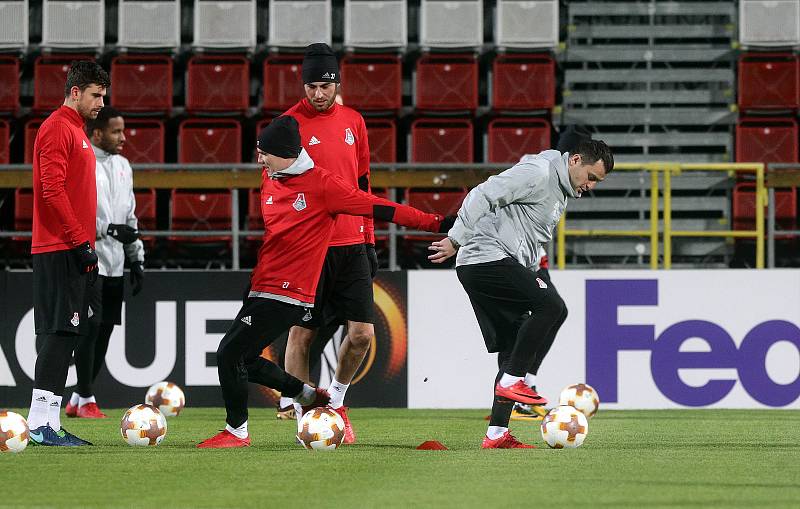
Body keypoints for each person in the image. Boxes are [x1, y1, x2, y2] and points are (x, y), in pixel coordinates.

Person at [197, 116, 451, 448]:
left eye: (265, 153)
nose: (259, 159)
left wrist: (436, 223)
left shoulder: (324, 185)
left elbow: (380, 207)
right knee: (241, 358)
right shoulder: (270, 177)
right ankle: (307, 395)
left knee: (228, 354)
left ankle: (237, 432)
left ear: (287, 153)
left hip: (289, 291)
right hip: (262, 284)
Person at [429, 139, 614, 448]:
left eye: (597, 182)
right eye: (591, 177)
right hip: (483, 258)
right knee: (550, 306)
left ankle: (497, 434)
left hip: (497, 261)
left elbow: (526, 235)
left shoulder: (560, 188)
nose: (591, 186)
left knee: (517, 341)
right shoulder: (539, 172)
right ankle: (515, 379)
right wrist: (455, 239)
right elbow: (482, 194)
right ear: (575, 160)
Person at [281, 43, 377, 442]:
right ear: (302, 86)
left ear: (337, 84)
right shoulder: (287, 125)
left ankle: (336, 402)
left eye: (325, 86)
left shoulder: (354, 121)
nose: (318, 95)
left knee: (362, 335)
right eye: (311, 87)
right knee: (302, 334)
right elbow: (276, 188)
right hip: (310, 248)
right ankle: (304, 411)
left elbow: (363, 183)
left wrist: (370, 239)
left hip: (352, 244)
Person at [26, 61, 110, 446]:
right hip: (61, 246)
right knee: (59, 334)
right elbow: (51, 190)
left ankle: (48, 422)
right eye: (96, 95)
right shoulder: (58, 128)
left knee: (63, 334)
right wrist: (79, 242)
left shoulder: (75, 131)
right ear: (75, 92)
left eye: (104, 96)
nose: (101, 103)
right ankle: (41, 424)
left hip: (68, 245)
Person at [507, 125, 594, 422]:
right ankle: (515, 392)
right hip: (516, 257)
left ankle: (524, 383)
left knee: (554, 312)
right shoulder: (538, 166)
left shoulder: (557, 169)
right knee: (539, 315)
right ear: (576, 156)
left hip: (534, 257)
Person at [64, 107, 145, 419]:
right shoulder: (81, 163)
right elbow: (73, 211)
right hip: (89, 259)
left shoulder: (124, 165)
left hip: (115, 263)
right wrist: (108, 230)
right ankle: (86, 397)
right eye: (116, 132)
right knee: (90, 328)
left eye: (123, 131)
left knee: (106, 330)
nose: (123, 138)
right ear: (97, 133)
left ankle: (78, 398)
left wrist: (137, 259)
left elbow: (129, 216)